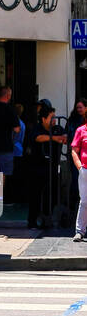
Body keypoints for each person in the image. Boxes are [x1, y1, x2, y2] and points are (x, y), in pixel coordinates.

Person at [26, 100, 66, 231]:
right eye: (51, 118)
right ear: (43, 119)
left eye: (55, 117)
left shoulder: (57, 128)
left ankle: (47, 218)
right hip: (38, 167)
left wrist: (64, 136)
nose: (54, 120)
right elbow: (37, 137)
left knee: (53, 193)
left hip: (53, 167)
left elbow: (65, 136)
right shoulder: (37, 128)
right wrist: (53, 138)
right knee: (36, 195)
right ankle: (32, 221)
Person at [70, 104, 87, 243]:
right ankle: (80, 231)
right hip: (85, 170)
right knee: (85, 201)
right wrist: (80, 167)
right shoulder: (81, 130)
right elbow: (74, 150)